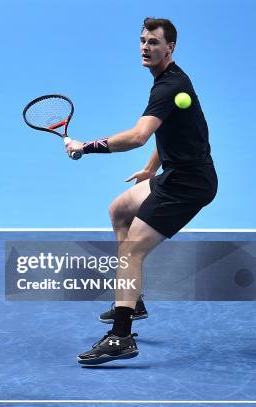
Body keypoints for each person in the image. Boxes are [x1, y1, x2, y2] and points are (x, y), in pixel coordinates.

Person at [65, 18, 217, 365]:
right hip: (174, 174)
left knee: (131, 251)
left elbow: (137, 136)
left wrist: (84, 147)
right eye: (143, 41)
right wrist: (151, 169)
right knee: (119, 209)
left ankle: (121, 337)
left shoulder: (168, 88)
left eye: (154, 42)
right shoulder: (169, 82)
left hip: (188, 185)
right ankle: (135, 300)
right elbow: (169, 132)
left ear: (170, 48)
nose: (146, 47)